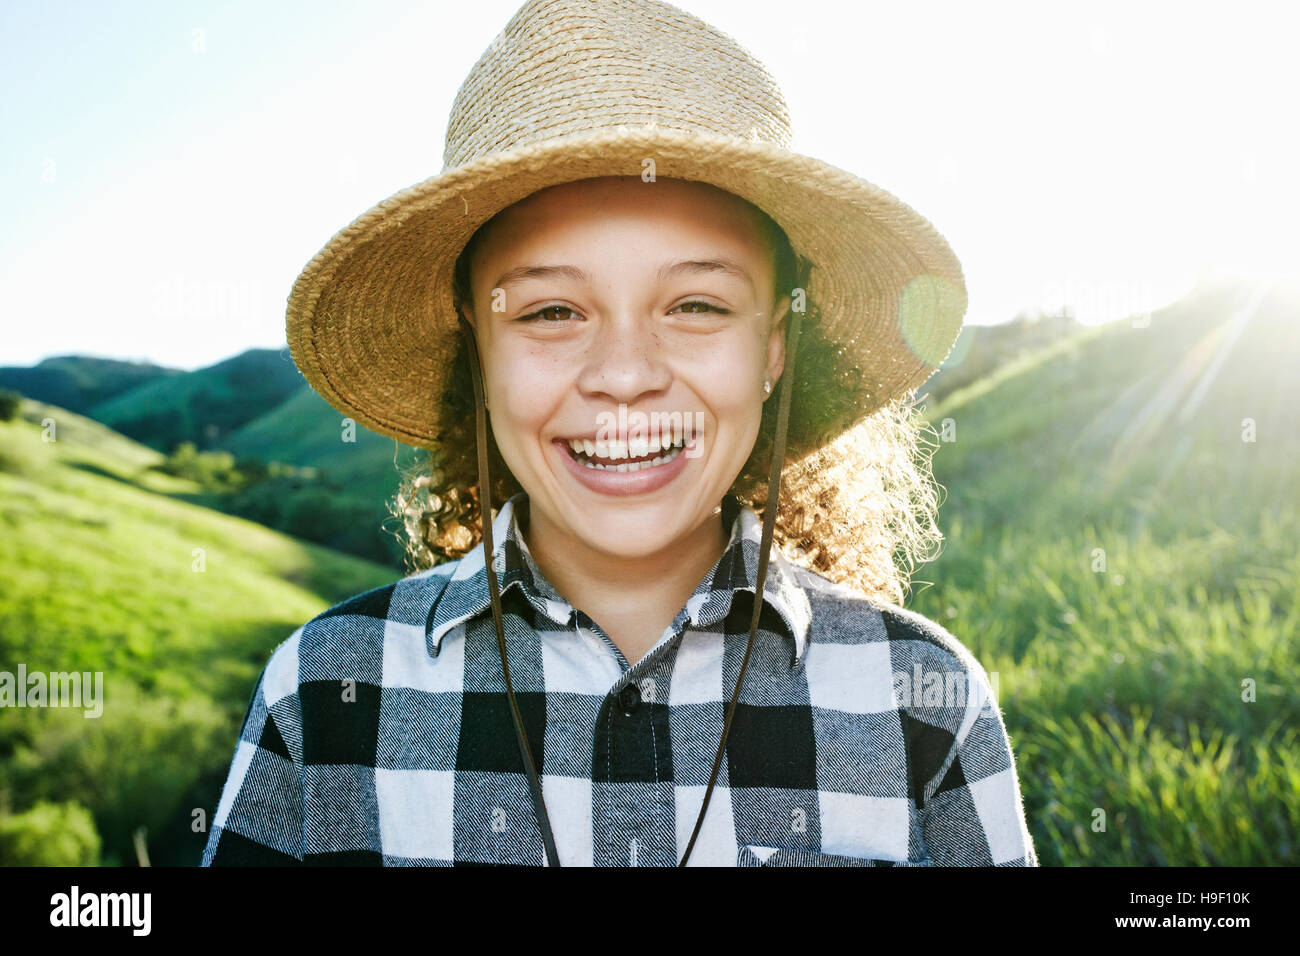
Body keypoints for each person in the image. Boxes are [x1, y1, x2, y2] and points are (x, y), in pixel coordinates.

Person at [202, 0, 1036, 867]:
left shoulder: (923, 703)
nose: (627, 372)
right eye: (552, 310)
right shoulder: (327, 696)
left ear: (773, 348)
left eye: (697, 305)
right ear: (477, 349)